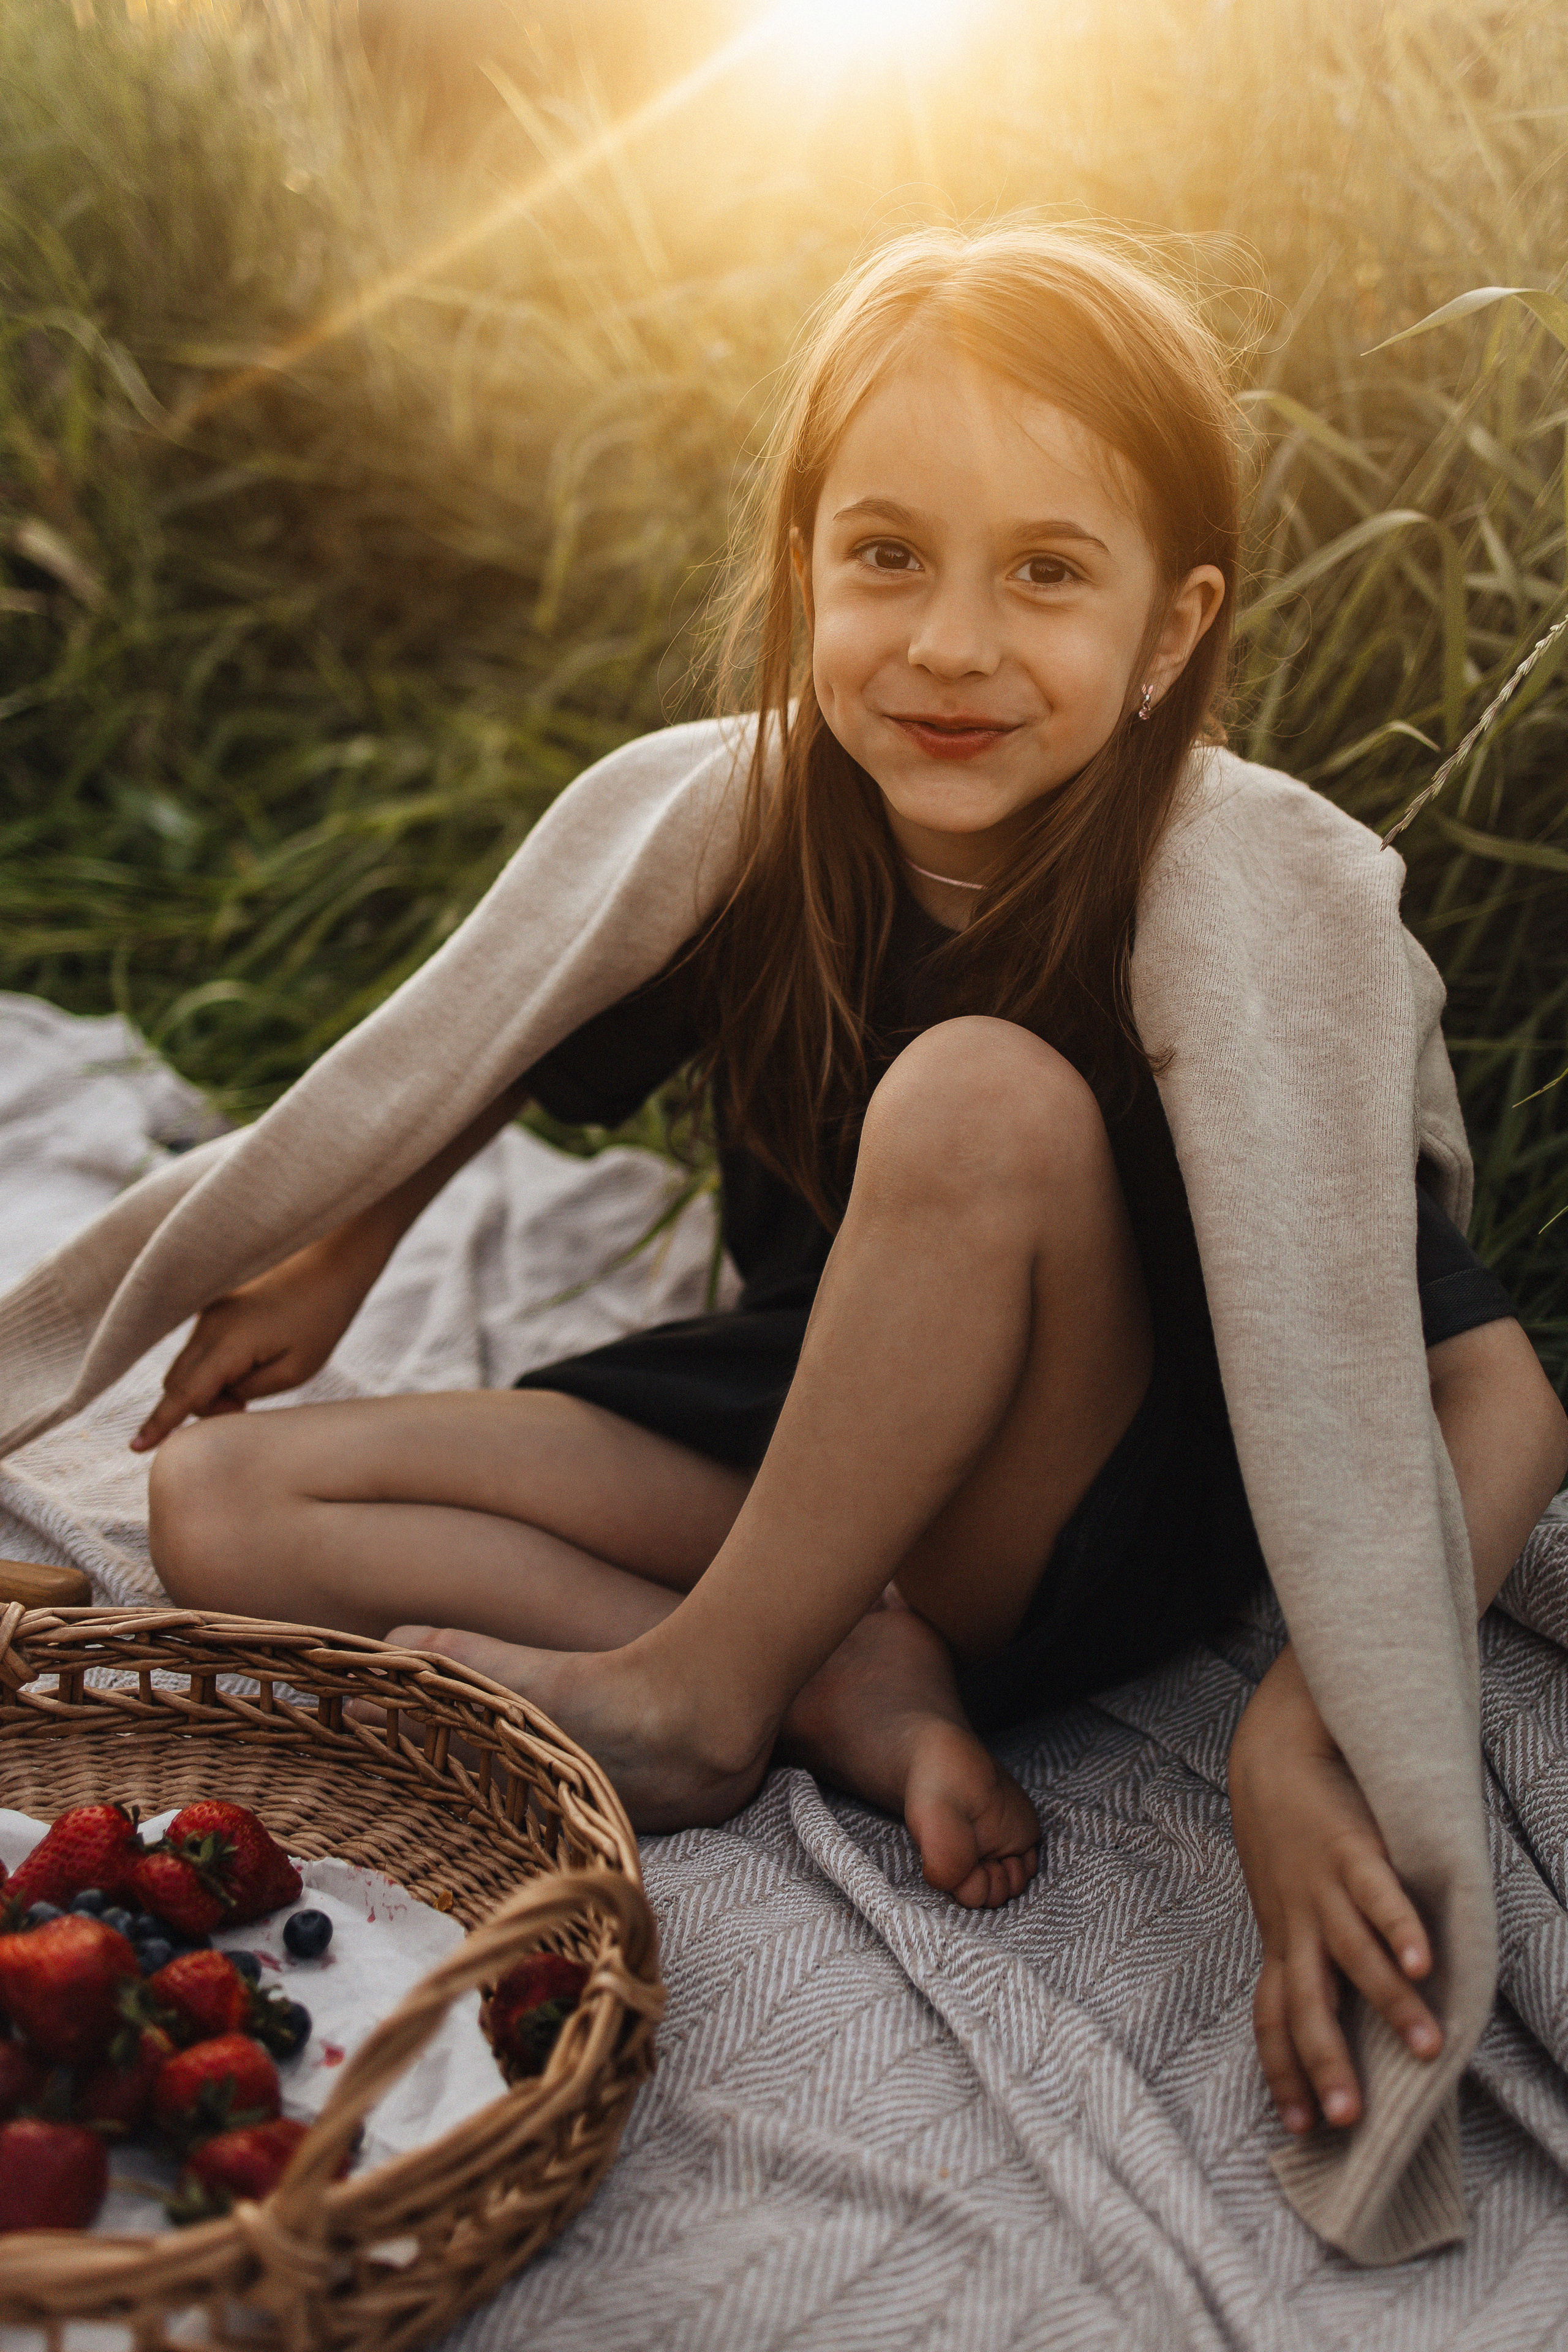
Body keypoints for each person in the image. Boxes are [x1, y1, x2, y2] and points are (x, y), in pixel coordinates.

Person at [134, 226, 1567, 2160]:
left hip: (1067, 1512)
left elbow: (1504, 1394)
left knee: (980, 1097)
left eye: (1047, 574)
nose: (951, 643)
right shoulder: (749, 833)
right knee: (220, 1502)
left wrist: (1302, 1723)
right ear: (808, 563)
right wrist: (340, 1243)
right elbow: (514, 1034)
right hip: (821, 1427)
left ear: (1169, 630)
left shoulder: (1221, 919)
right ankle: (841, 1675)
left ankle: (700, 1695)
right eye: (887, 554)